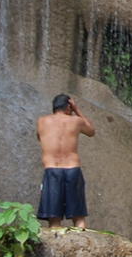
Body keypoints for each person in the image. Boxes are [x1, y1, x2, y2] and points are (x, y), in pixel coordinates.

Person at [36, 93, 96, 228]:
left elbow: (40, 137)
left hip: (52, 170)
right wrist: (77, 110)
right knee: (78, 217)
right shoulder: (76, 121)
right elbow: (91, 131)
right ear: (69, 107)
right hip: (72, 169)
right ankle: (81, 239)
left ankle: (56, 240)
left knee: (54, 218)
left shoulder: (42, 121)